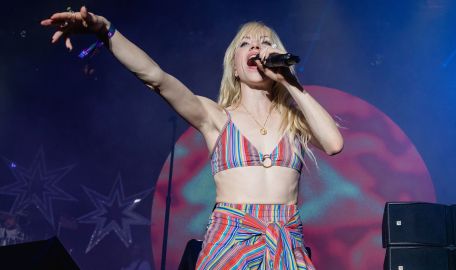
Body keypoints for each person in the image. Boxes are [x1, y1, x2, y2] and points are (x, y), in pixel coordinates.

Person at [41, 6, 343, 269]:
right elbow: (156, 78)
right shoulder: (215, 116)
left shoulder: (294, 119)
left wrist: (290, 82)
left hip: (285, 246)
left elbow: (333, 144)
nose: (256, 47)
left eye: (265, 43)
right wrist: (105, 29)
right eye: (245, 43)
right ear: (235, 66)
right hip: (231, 243)